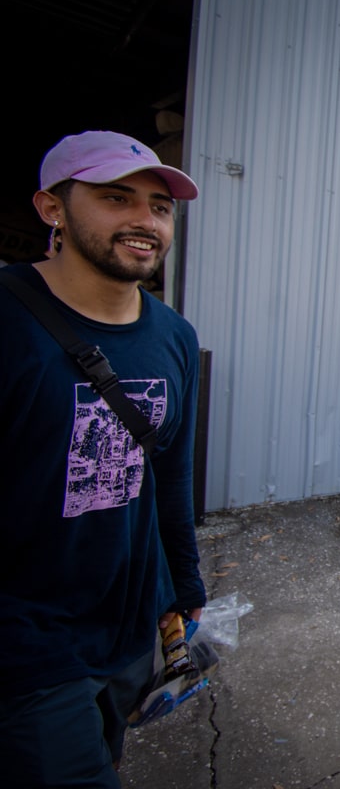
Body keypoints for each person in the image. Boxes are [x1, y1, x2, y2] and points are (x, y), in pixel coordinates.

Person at [0, 131, 208, 788]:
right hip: (25, 637)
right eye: (116, 199)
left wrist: (183, 585)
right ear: (51, 208)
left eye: (158, 206)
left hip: (126, 625)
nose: (144, 221)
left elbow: (169, 475)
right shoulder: (9, 319)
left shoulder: (173, 336)